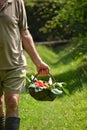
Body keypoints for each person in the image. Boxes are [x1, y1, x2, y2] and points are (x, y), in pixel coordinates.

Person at [0, 0, 50, 130]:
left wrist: (38, 62)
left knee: (12, 101)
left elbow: (24, 33)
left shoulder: (16, 2)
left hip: (14, 64)